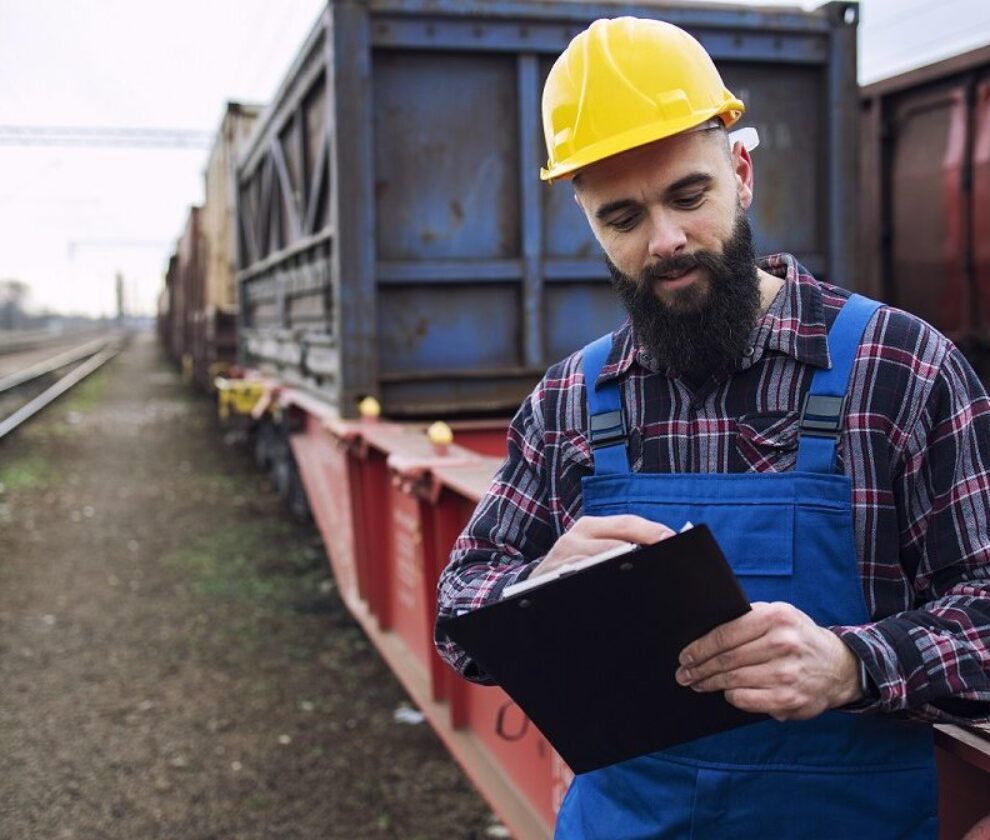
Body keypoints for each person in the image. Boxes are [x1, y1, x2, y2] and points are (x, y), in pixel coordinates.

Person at [435, 16, 990, 839]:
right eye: (622, 218)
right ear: (588, 221)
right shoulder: (572, 401)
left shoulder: (900, 369)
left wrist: (853, 665)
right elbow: (459, 606)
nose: (665, 241)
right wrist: (531, 590)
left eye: (688, 196)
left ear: (741, 171)